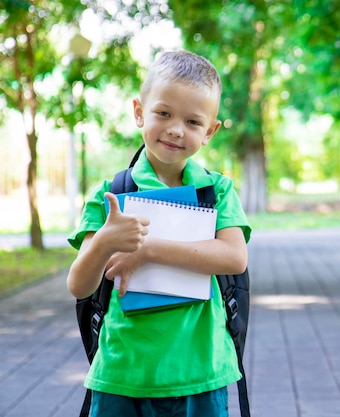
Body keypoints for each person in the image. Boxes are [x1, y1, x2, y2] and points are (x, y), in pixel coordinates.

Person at [66, 50, 251, 417]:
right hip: (123, 374)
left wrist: (148, 250)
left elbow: (234, 257)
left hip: (202, 373)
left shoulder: (216, 190)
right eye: (163, 113)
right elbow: (79, 286)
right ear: (139, 111)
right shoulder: (111, 194)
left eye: (193, 121)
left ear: (210, 131)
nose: (175, 129)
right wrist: (104, 241)